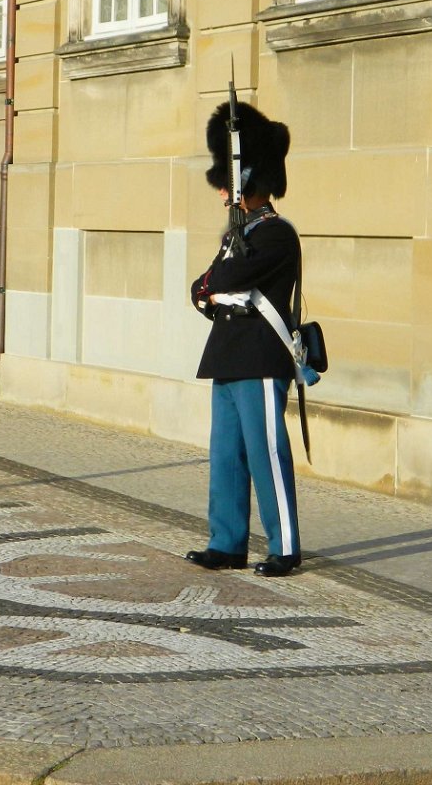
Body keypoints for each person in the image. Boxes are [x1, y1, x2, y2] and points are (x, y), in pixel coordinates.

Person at [185, 101, 303, 578]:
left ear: (249, 182)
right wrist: (211, 286)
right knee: (226, 457)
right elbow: (201, 287)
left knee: (266, 454)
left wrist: (214, 284)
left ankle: (285, 546)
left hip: (260, 355)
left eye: (230, 185)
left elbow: (227, 277)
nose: (223, 194)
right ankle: (227, 542)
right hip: (228, 354)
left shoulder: (276, 234)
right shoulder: (239, 235)